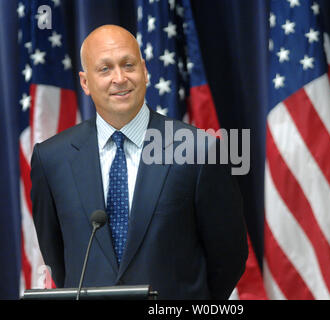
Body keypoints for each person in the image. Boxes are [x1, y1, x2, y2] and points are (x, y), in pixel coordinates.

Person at [30, 24, 248, 299]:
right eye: (105, 69)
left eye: (128, 65)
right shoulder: (51, 159)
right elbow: (57, 259)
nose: (119, 78)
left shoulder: (200, 150)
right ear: (85, 82)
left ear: (144, 71)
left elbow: (228, 256)